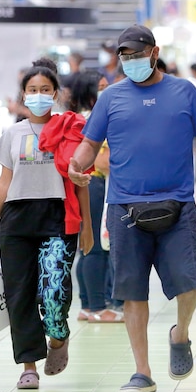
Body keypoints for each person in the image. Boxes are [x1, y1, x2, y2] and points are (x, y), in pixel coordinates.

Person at [68, 25, 196, 392]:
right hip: (125, 208)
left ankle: (180, 333)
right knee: (131, 292)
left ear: (154, 53)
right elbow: (89, 144)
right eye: (125, 57)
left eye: (137, 55)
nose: (131, 62)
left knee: (190, 283)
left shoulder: (184, 91)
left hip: (178, 204)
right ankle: (142, 371)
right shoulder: (111, 98)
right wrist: (78, 165)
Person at [0, 58, 94, 390]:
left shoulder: (71, 129)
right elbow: (3, 183)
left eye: (45, 89)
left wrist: (85, 224)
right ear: (23, 95)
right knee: (20, 294)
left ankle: (58, 337)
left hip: (57, 216)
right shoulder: (12, 134)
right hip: (16, 220)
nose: (39, 95)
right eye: (32, 90)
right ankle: (28, 364)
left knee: (54, 289)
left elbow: (80, 179)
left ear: (55, 93)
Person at [69, 73, 123, 323]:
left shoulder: (78, 120)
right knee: (98, 248)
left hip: (87, 184)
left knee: (87, 246)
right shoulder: (95, 120)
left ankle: (88, 305)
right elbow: (102, 160)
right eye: (101, 88)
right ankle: (99, 306)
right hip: (97, 183)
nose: (107, 91)